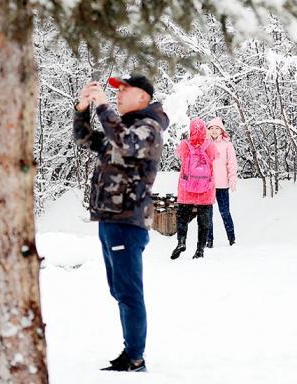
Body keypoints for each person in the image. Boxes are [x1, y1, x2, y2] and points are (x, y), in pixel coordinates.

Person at [73, 74, 169, 372]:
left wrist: (102, 108)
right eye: (116, 91)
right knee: (119, 290)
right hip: (109, 219)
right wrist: (82, 109)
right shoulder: (122, 127)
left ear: (143, 97)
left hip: (128, 220)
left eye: (125, 90)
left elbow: (126, 144)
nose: (118, 94)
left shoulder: (148, 128)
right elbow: (85, 139)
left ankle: (135, 357)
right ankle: (130, 351)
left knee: (128, 291)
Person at [171, 118, 217, 260]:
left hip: (187, 190)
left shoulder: (185, 146)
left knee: (182, 217)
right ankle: (200, 250)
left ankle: (181, 241)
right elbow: (214, 159)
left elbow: (180, 158)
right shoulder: (210, 146)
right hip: (205, 191)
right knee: (204, 221)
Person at [205, 117, 237, 248]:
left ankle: (232, 239)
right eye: (211, 128)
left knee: (225, 212)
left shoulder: (227, 145)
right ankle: (209, 241)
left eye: (216, 128)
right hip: (207, 186)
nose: (214, 131)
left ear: (221, 130)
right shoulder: (205, 144)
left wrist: (232, 179)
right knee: (208, 215)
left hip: (222, 185)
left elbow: (232, 164)